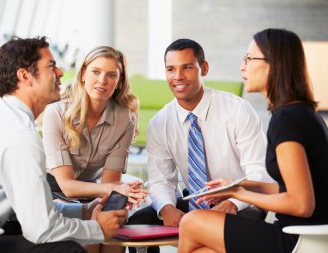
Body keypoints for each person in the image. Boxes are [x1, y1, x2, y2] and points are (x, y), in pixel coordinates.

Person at [0, 36, 127, 253]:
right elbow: (41, 229)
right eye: (51, 66)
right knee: (68, 249)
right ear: (25, 76)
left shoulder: (2, 116)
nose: (60, 72)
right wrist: (97, 229)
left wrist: (82, 212)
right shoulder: (19, 135)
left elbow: (29, 208)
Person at [178, 28, 328, 253]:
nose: (242, 66)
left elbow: (301, 204)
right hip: (309, 236)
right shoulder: (301, 113)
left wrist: (239, 194)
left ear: (275, 64)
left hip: (298, 239)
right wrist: (241, 184)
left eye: (249, 59)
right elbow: (290, 188)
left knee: (190, 222)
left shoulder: (287, 119)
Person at [128, 38, 273, 253]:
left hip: (242, 199)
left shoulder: (237, 110)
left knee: (242, 221)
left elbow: (259, 172)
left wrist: (233, 202)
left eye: (187, 67)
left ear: (204, 68)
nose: (178, 76)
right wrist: (168, 209)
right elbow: (161, 180)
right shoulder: (160, 123)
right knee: (139, 221)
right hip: (195, 199)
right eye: (171, 69)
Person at [42, 46, 148, 206]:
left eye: (111, 75)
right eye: (96, 72)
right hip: (50, 189)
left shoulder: (126, 119)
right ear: (83, 73)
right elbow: (67, 187)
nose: (102, 81)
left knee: (115, 214)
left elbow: (111, 181)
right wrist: (114, 189)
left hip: (92, 191)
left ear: (119, 81)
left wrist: (125, 193)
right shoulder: (56, 111)